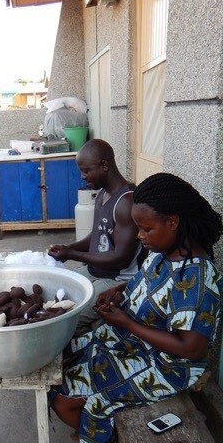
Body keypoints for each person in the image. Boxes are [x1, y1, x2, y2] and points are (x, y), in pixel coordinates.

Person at [49, 172, 223, 443]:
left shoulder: (195, 278)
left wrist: (127, 324)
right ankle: (95, 428)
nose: (140, 236)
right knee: (62, 358)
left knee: (67, 399)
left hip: (168, 366)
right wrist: (118, 292)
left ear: (172, 222)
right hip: (138, 344)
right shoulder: (164, 253)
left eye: (146, 229)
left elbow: (191, 348)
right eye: (139, 228)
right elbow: (144, 285)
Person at [48, 139, 144, 334]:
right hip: (96, 270)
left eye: (86, 170)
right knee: (54, 293)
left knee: (62, 322)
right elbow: (98, 235)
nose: (83, 177)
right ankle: (94, 325)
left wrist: (73, 255)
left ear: (104, 165)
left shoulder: (126, 201)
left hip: (117, 279)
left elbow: (120, 257)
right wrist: (69, 247)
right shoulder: (102, 194)